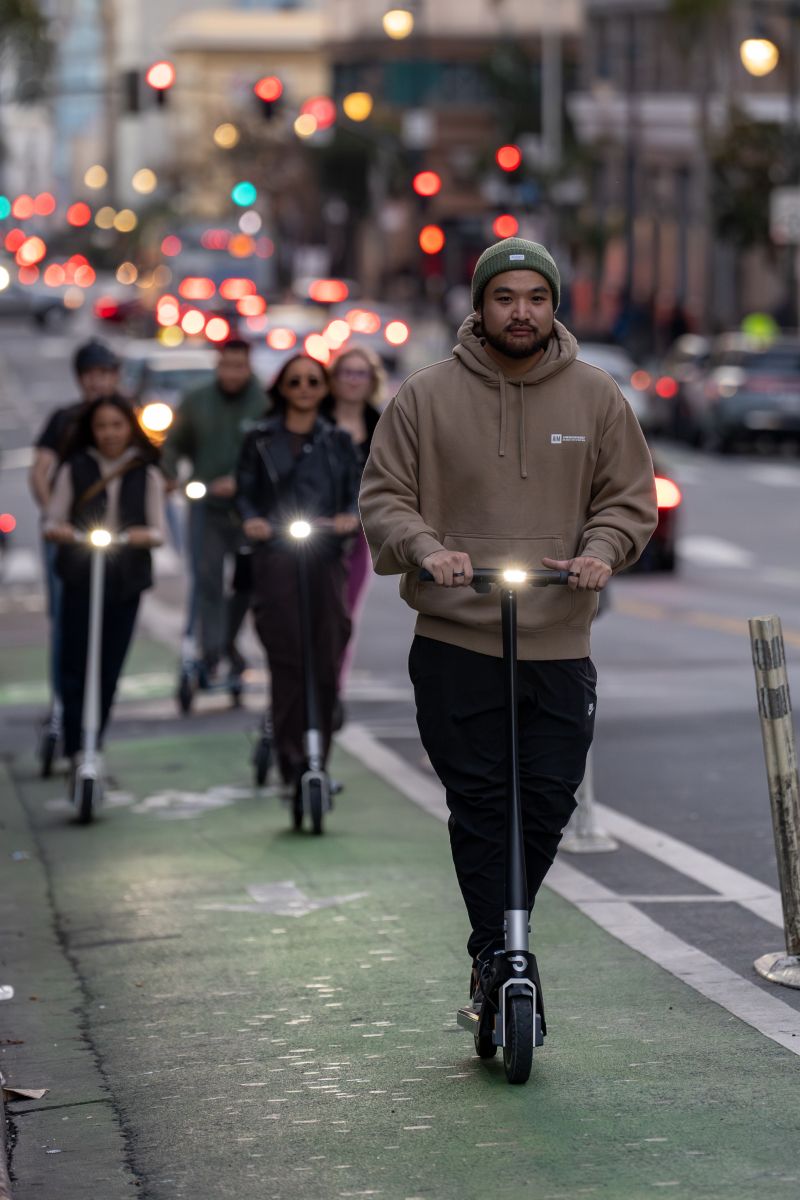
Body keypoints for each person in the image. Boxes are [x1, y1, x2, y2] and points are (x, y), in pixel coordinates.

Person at [359, 237, 658, 1005]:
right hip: (456, 639)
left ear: (554, 306)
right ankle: (497, 952)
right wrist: (427, 549)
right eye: (505, 297)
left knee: (549, 801)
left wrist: (600, 552)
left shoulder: (595, 396)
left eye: (535, 298)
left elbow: (628, 499)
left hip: (558, 638)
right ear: (480, 305)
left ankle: (499, 944)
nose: (520, 312)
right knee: (481, 806)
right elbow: (385, 496)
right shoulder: (425, 396)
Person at [236, 354, 360, 793]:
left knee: (326, 655)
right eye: (295, 381)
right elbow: (245, 492)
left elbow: (355, 493)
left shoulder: (338, 440)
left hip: (324, 556)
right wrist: (252, 520)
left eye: (313, 381)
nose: (304, 388)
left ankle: (317, 761)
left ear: (324, 388)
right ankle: (290, 762)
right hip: (276, 557)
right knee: (287, 658)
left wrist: (348, 517)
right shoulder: (259, 439)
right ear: (281, 389)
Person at [43, 395, 165, 781]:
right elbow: (53, 519)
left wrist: (141, 535)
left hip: (125, 580)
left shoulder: (145, 472)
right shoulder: (74, 467)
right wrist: (61, 531)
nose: (110, 433)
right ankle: (76, 744)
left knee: (109, 665)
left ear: (129, 427)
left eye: (117, 425)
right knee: (74, 662)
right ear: (91, 431)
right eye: (101, 426)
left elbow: (159, 530)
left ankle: (94, 739)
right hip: (81, 577)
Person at [29, 340, 121, 740]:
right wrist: (54, 517)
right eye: (90, 375)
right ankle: (62, 706)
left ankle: (94, 714)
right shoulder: (64, 420)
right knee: (65, 622)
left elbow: (153, 467)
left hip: (116, 538)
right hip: (68, 536)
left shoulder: (125, 417)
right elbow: (39, 470)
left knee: (111, 623)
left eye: (105, 374)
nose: (97, 383)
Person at [161, 338, 265, 682]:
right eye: (226, 366)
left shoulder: (265, 402)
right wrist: (169, 473)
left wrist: (241, 481)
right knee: (207, 579)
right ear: (217, 365)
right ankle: (210, 652)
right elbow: (174, 443)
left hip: (251, 511)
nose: (232, 374)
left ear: (249, 366)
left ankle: (228, 641)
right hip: (207, 507)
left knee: (247, 583)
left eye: (239, 366)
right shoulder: (197, 400)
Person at [325, 346, 385, 692]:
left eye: (360, 373)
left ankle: (333, 687)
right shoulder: (316, 419)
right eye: (346, 372)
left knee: (345, 613)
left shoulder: (381, 424)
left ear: (371, 380)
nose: (353, 380)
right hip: (313, 528)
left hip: (358, 533)